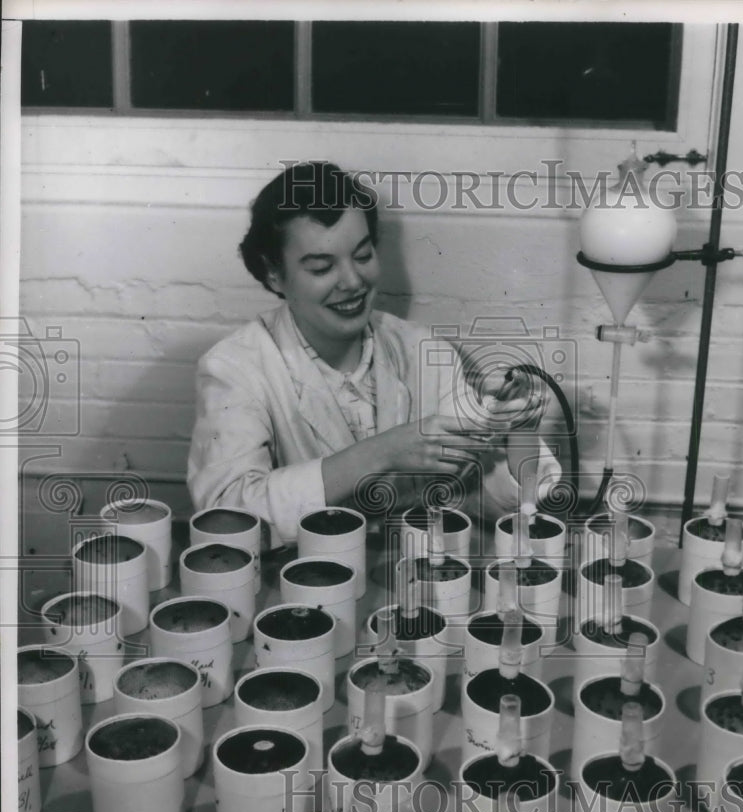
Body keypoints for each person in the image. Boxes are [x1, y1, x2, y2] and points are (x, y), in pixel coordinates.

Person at [187, 161, 561, 547]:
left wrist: (519, 429)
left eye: (363, 256)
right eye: (321, 267)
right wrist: (379, 454)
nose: (352, 282)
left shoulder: (422, 351)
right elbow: (225, 523)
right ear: (273, 274)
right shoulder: (236, 368)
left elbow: (505, 500)